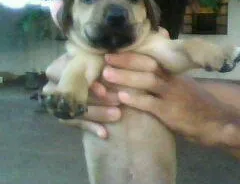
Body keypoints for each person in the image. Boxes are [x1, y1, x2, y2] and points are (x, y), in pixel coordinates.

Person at [44, 28, 240, 159]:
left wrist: (220, 120)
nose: (115, 10)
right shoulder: (84, 53)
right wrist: (67, 93)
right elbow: (80, 71)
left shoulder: (148, 40)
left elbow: (176, 52)